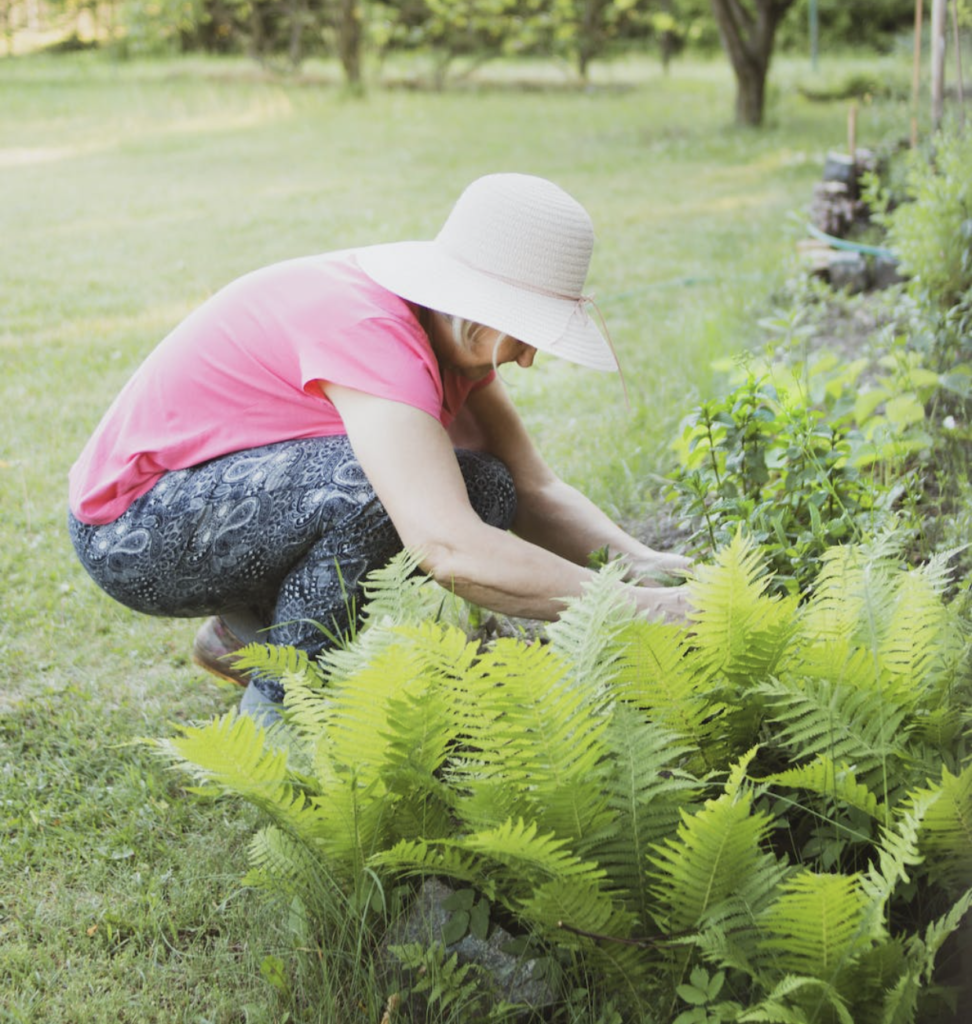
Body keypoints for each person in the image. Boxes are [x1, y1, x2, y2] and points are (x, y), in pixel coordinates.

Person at [67, 172, 691, 723]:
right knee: (375, 493)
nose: (528, 358)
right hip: (131, 530)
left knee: (486, 486)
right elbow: (448, 546)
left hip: (215, 503)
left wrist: (654, 569)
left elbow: (534, 488)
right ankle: (285, 710)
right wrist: (648, 609)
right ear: (477, 308)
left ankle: (245, 634)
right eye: (527, 331)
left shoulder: (448, 336)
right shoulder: (372, 334)